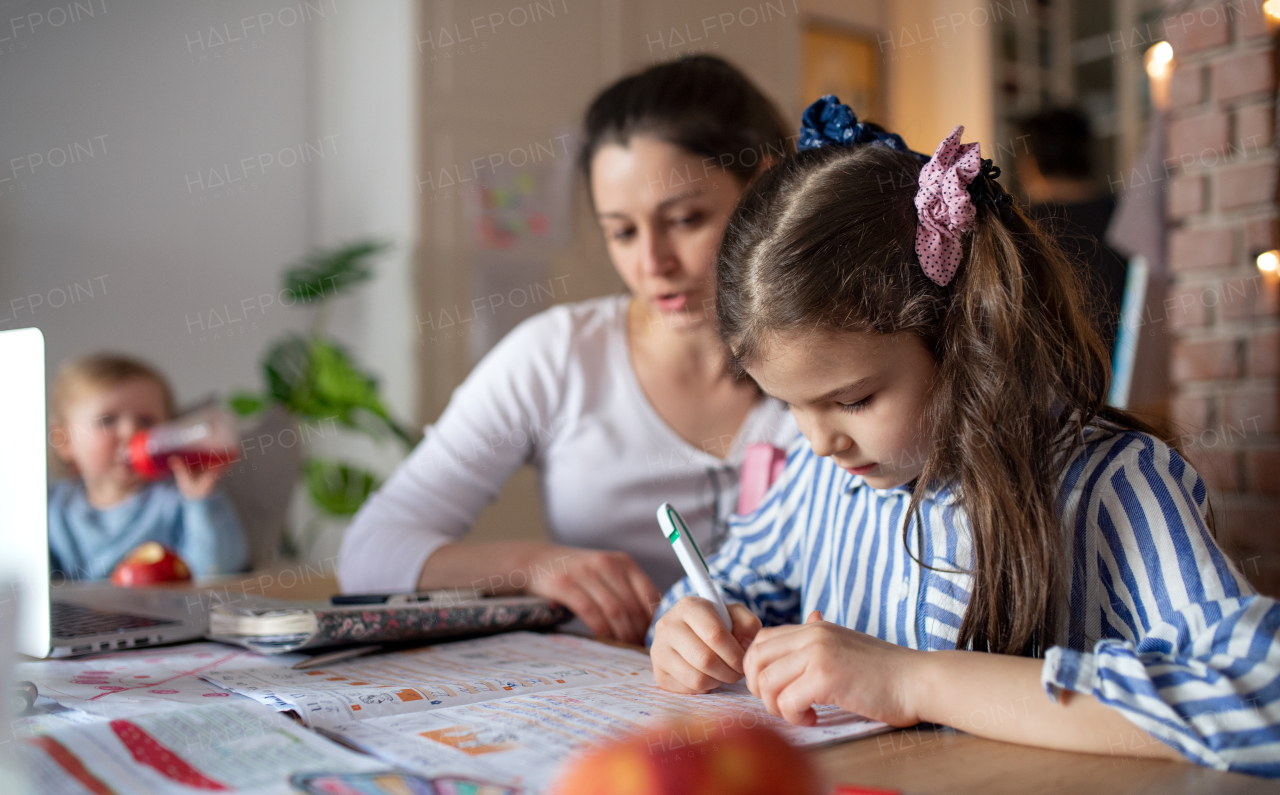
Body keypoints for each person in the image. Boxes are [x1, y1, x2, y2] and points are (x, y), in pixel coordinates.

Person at [650, 97, 1280, 776]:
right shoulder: (818, 474)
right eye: (789, 405)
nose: (820, 439)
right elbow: (732, 585)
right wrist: (689, 629)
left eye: (853, 399)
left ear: (964, 341)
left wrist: (913, 681)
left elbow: (1260, 696)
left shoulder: (1112, 483)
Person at [338, 56, 798, 645]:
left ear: (763, 185)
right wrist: (536, 566)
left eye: (685, 219)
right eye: (623, 232)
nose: (652, 264)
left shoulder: (840, 362)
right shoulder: (557, 357)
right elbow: (371, 553)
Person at [48, 354, 248, 581]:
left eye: (146, 421)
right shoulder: (52, 509)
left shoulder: (175, 498)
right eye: (107, 420)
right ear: (65, 442)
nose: (131, 432)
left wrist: (201, 499)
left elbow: (217, 569)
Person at [1016, 108, 1128, 354]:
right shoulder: (1125, 217)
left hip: (1046, 384)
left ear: (1030, 162)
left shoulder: (1016, 227)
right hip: (1128, 381)